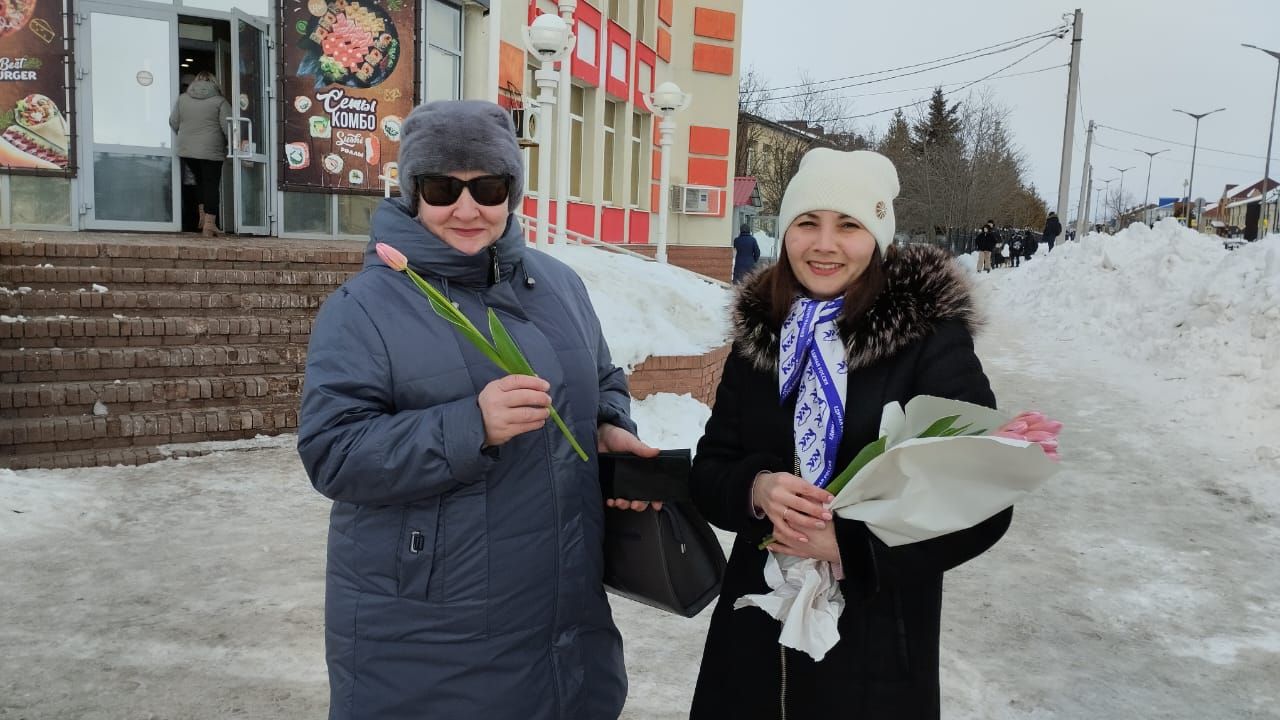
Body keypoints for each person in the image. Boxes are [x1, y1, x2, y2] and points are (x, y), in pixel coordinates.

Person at [297, 99, 659, 720]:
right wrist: (471, 426)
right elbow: (333, 453)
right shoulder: (363, 308)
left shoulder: (558, 285)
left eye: (488, 188)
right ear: (413, 193)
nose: (467, 209)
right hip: (432, 626)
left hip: (560, 611)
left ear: (511, 191)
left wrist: (606, 426)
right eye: (442, 188)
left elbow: (602, 378)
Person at [687, 148, 1012, 720]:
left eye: (849, 225)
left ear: (879, 237)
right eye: (807, 222)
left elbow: (983, 502)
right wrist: (756, 488)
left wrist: (853, 548)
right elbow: (711, 470)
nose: (824, 244)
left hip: (876, 646)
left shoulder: (927, 343)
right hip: (754, 640)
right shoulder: (762, 341)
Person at [169, 70, 231, 237]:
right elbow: (228, 127)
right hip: (211, 150)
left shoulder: (182, 99)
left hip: (187, 150)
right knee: (211, 185)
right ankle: (209, 225)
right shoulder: (220, 101)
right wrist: (231, 144)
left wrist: (186, 136)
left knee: (200, 182)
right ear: (214, 83)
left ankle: (202, 219)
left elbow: (173, 122)